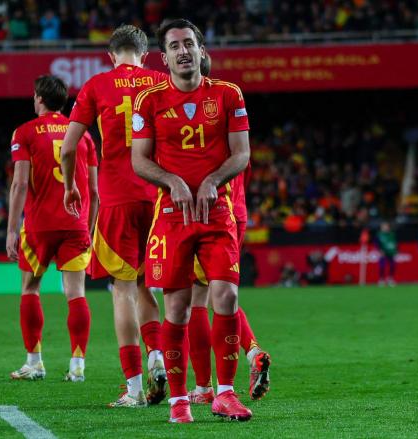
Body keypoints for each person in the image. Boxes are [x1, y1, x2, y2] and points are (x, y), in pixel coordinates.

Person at [132, 18, 252, 423]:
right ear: (163, 57)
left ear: (201, 50)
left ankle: (224, 394)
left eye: (189, 44)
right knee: (178, 309)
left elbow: (241, 153)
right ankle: (179, 400)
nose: (183, 51)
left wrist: (215, 180)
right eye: (175, 46)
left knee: (227, 297)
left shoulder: (228, 94)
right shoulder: (148, 100)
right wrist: (173, 182)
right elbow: (139, 160)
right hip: (172, 217)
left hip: (217, 214)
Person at [60, 25, 167, 407]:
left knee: (121, 290)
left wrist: (72, 185)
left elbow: (69, 148)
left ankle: (136, 388)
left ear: (111, 55)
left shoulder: (95, 85)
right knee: (146, 286)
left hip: (117, 197)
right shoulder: (160, 81)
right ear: (146, 53)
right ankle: (158, 355)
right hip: (158, 196)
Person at [185, 55, 271, 407]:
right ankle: (252, 353)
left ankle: (206, 387)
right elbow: (243, 167)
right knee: (224, 296)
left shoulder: (201, 120)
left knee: (196, 300)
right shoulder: (230, 112)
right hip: (235, 213)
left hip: (209, 212)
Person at [6, 75, 98, 382]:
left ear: (40, 99)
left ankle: (34, 363)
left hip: (39, 225)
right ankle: (78, 365)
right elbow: (95, 192)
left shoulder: (25, 132)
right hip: (76, 224)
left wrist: (10, 229)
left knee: (30, 287)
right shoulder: (83, 135)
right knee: (76, 293)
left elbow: (20, 183)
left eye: (34, 97)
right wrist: (91, 228)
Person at [376, 221, 397, 286]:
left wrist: (396, 250)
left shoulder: (392, 234)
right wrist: (380, 250)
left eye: (387, 226)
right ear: (381, 228)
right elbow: (376, 244)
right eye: (384, 227)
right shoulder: (379, 235)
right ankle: (381, 279)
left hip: (391, 253)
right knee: (382, 266)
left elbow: (395, 243)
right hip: (383, 253)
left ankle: (390, 279)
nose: (386, 228)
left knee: (392, 266)